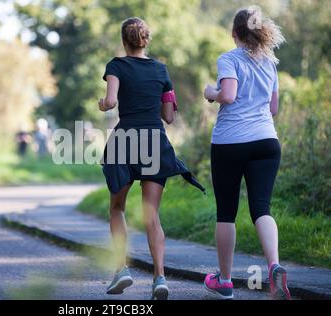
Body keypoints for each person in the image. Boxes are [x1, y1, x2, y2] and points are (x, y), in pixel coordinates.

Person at [99, 17, 204, 300]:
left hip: (125, 139)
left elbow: (110, 102)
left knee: (117, 208)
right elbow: (169, 116)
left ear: (124, 41)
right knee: (151, 215)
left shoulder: (116, 66)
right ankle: (159, 278)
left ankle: (121, 270)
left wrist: (102, 103)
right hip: (154, 140)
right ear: (146, 40)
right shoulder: (161, 70)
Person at [203, 7, 290, 300]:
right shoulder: (270, 63)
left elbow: (227, 95)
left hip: (230, 142)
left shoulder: (229, 58)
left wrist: (210, 92)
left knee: (227, 212)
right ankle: (274, 266)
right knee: (261, 208)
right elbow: (273, 109)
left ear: (234, 33)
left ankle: (224, 281)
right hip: (267, 141)